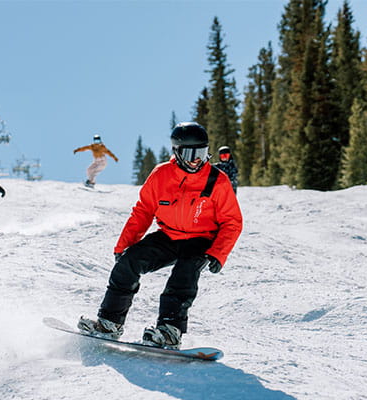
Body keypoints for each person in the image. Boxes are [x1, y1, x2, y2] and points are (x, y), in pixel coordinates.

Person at [78, 122, 243, 349]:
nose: (197, 160)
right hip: (169, 236)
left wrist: (218, 253)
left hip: (201, 239)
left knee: (183, 275)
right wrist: (123, 246)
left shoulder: (217, 180)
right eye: (190, 154)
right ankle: (109, 323)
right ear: (176, 151)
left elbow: (232, 222)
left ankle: (169, 331)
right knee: (128, 263)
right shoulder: (162, 175)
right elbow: (143, 212)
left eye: (202, 153)